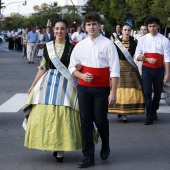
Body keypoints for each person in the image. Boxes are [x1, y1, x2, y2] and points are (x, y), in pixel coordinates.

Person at [23, 19, 82, 162]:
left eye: (62, 29)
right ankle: (50, 142)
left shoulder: (73, 48)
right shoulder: (48, 47)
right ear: (53, 30)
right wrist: (33, 85)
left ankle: (60, 148)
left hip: (66, 83)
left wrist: (79, 68)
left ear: (67, 30)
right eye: (56, 29)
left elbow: (76, 67)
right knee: (46, 112)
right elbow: (43, 68)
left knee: (64, 114)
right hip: (48, 82)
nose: (59, 31)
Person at [69, 11, 120, 168]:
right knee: (85, 121)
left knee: (100, 120)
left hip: (101, 89)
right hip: (84, 88)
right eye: (88, 25)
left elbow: (115, 70)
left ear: (99, 26)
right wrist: (82, 76)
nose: (91, 27)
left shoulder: (108, 44)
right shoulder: (80, 45)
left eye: (94, 24)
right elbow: (72, 68)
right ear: (85, 27)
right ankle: (88, 156)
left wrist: (113, 92)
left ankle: (105, 143)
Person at [135, 16, 170, 125]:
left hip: (159, 69)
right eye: (150, 26)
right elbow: (137, 55)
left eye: (154, 26)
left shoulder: (164, 40)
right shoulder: (142, 39)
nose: (152, 28)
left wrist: (168, 73)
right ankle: (149, 115)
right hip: (147, 69)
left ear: (158, 26)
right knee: (147, 92)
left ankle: (154, 109)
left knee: (158, 93)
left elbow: (167, 58)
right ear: (147, 27)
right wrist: (147, 59)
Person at [108, 23, 145, 123]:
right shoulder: (116, 43)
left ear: (131, 31)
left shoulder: (135, 42)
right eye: (125, 30)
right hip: (119, 67)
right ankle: (120, 110)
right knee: (118, 89)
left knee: (132, 88)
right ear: (122, 31)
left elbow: (138, 53)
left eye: (128, 30)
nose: (127, 32)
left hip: (130, 68)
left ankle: (125, 113)